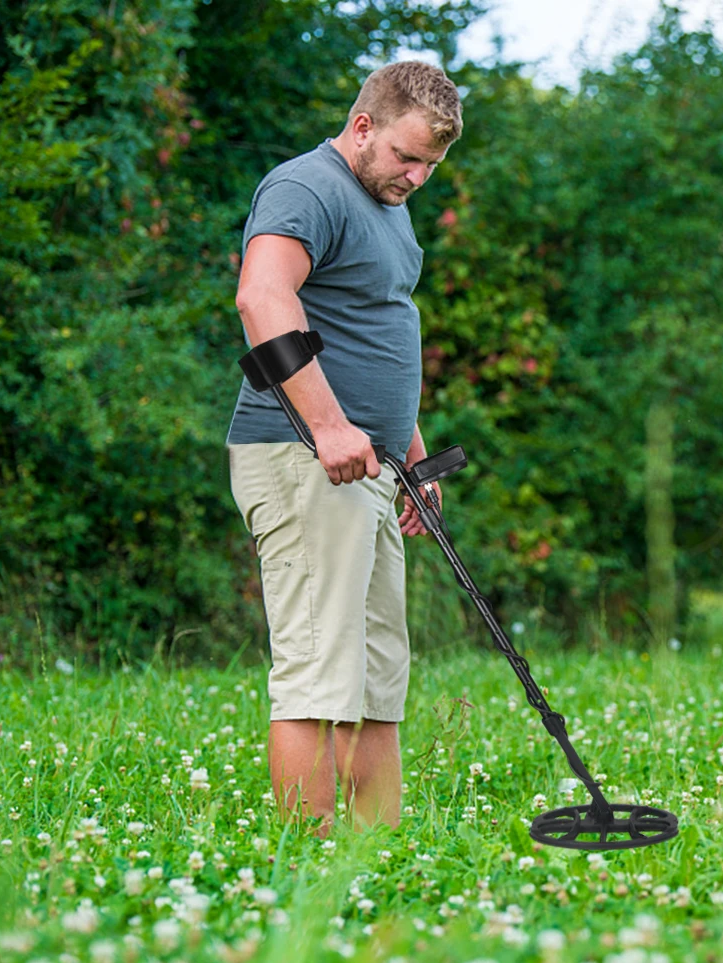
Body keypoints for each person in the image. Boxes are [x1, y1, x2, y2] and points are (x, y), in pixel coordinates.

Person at [226, 61, 462, 837]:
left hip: (369, 468)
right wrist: (329, 426)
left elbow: (380, 332)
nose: (418, 176)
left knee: (375, 676)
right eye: (407, 156)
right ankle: (308, 862)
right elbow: (262, 298)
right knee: (320, 672)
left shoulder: (387, 203)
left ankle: (374, 855)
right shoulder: (307, 187)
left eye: (430, 164)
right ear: (363, 125)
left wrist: (413, 460)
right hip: (303, 459)